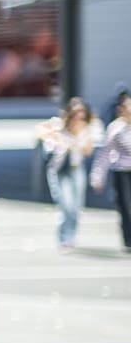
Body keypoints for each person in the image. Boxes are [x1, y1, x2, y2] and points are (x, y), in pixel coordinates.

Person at [36, 97, 95, 251]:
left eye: (82, 115)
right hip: (60, 170)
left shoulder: (85, 130)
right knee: (66, 204)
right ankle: (64, 237)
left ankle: (72, 235)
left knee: (76, 206)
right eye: (76, 115)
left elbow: (88, 150)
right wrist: (57, 137)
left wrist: (76, 143)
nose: (78, 119)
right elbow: (40, 130)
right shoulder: (59, 126)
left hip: (76, 169)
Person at [90, 95, 131, 253]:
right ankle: (128, 239)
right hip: (121, 171)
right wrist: (97, 176)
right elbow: (104, 153)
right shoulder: (116, 128)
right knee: (126, 206)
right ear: (121, 110)